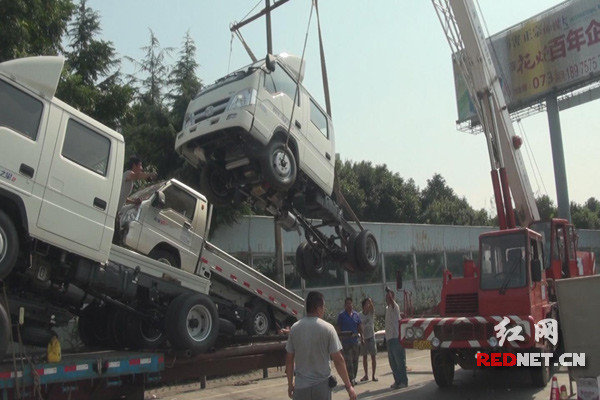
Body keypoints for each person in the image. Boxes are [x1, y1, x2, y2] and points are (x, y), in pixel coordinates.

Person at [285, 291, 356, 400]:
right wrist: (348, 386)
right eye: (323, 307)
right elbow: (338, 360)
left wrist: (290, 384)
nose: (324, 310)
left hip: (301, 388)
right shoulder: (328, 328)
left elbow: (289, 360)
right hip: (321, 387)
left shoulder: (295, 328)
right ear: (318, 308)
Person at [113, 155, 157, 243]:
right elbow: (138, 176)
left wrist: (134, 202)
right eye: (140, 165)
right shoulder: (128, 173)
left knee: (116, 238)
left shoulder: (130, 180)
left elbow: (124, 198)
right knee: (116, 239)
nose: (141, 168)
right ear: (134, 165)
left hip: (116, 212)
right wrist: (150, 174)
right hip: (113, 211)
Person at [337, 297, 363, 386]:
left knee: (355, 361)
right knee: (348, 362)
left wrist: (362, 338)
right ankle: (350, 379)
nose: (349, 305)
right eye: (347, 304)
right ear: (345, 305)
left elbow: (359, 327)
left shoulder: (356, 315)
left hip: (355, 341)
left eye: (350, 303)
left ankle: (353, 378)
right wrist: (339, 339)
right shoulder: (341, 315)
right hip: (346, 342)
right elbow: (339, 328)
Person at [385, 287, 408, 389]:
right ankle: (397, 381)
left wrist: (389, 291)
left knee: (400, 361)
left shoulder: (395, 307)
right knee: (392, 362)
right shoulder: (387, 308)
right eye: (386, 297)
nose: (387, 298)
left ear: (392, 297)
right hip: (389, 338)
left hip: (396, 338)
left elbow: (391, 301)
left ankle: (403, 381)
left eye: (389, 296)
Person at [359, 297, 378, 382]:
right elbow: (359, 326)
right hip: (364, 338)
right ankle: (366, 375)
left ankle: (373, 375)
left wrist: (370, 301)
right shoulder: (359, 315)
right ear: (363, 306)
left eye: (369, 304)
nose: (368, 305)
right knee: (364, 357)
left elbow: (373, 308)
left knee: (373, 356)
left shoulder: (371, 313)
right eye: (367, 304)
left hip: (371, 337)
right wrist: (361, 337)